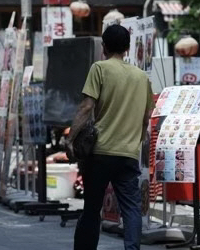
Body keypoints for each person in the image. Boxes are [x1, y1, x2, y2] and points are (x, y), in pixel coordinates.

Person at [66, 24, 155, 250]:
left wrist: (70, 138)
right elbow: (147, 117)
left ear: (104, 47)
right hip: (128, 154)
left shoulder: (99, 68)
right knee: (132, 208)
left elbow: (86, 107)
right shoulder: (141, 77)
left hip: (101, 153)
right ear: (127, 47)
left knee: (92, 208)